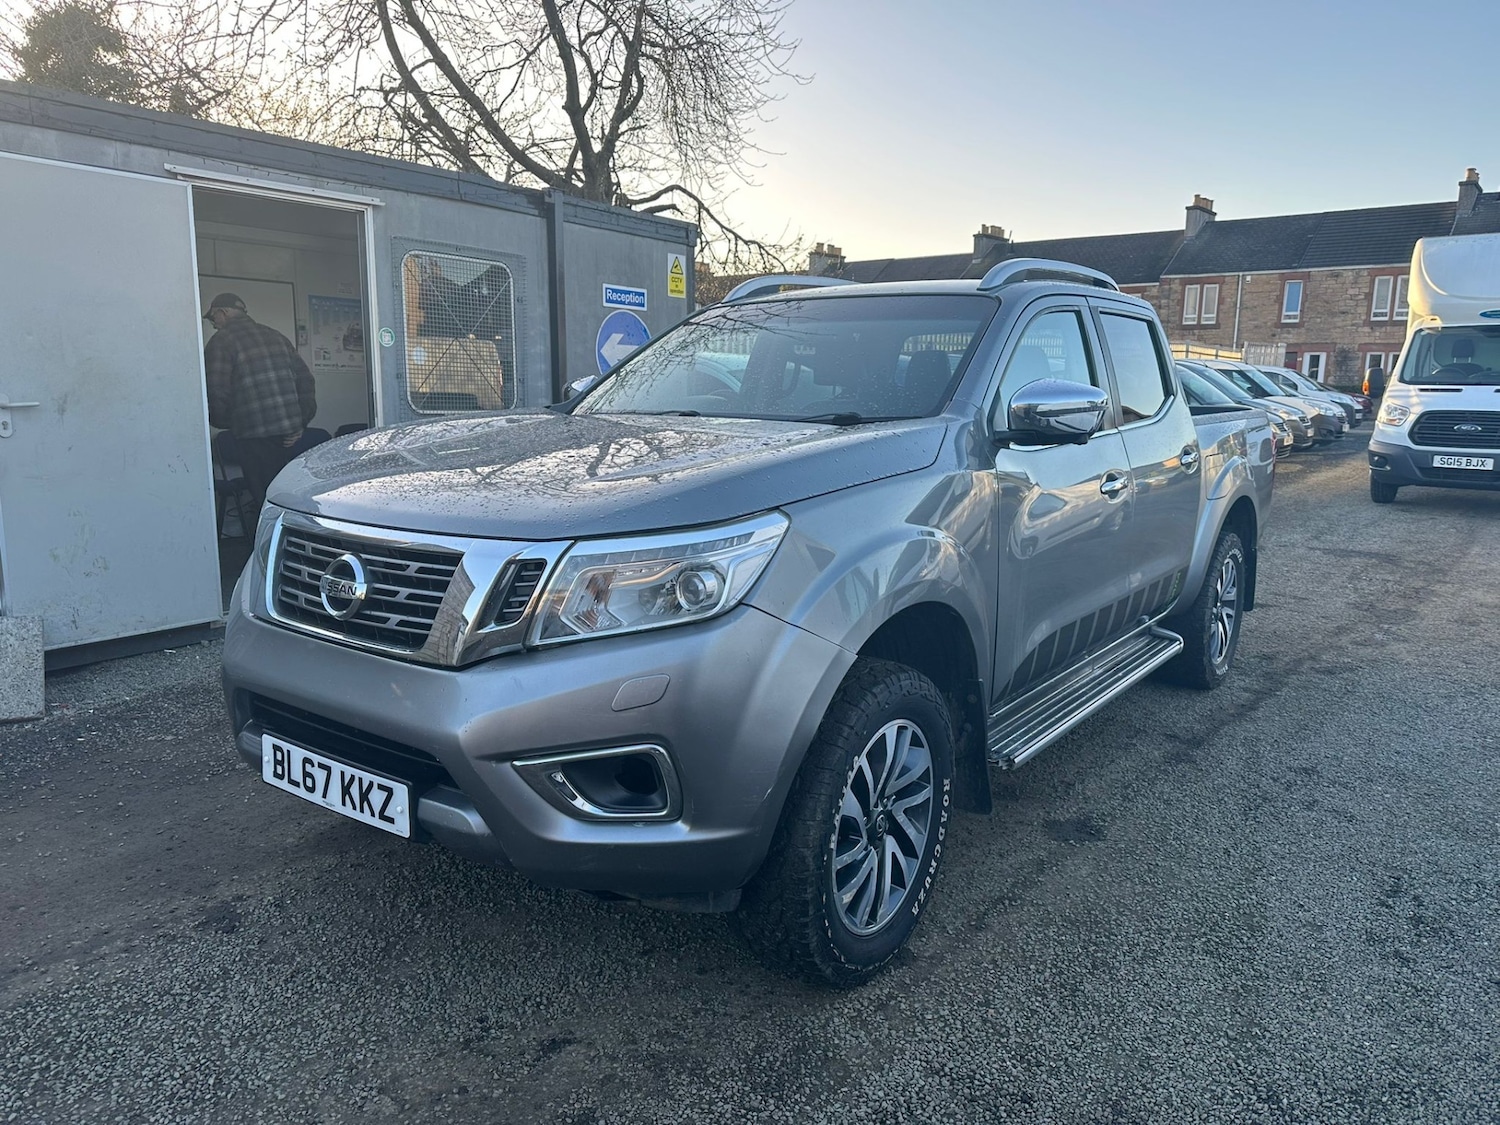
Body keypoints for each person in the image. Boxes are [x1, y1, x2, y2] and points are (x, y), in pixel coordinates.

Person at [203, 293, 317, 519]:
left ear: (222, 312)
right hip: (289, 436)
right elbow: (305, 380)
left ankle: (269, 549)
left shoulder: (221, 341)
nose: (213, 324)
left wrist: (227, 422)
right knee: (286, 497)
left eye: (212, 318)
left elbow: (216, 389)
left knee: (266, 501)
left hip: (253, 435)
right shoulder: (276, 336)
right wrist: (300, 423)